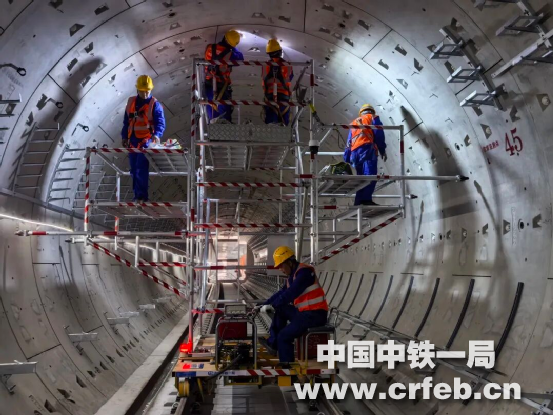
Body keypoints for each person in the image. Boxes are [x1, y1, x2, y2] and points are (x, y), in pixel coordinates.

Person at [257, 246, 328, 366]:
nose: (280, 269)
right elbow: (281, 293)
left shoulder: (305, 273)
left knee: (283, 336)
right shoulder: (292, 277)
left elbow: (291, 293)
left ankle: (287, 367)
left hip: (315, 315)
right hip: (303, 313)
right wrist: (263, 305)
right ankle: (272, 344)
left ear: (290, 262)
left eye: (281, 266)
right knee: (280, 309)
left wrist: (272, 306)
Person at [121, 74, 165, 202]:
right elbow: (126, 122)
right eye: (142, 91)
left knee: (141, 168)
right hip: (133, 141)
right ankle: (137, 196)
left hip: (146, 140)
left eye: (147, 91)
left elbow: (160, 122)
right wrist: (124, 137)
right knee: (134, 169)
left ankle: (142, 196)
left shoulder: (154, 104)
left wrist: (157, 135)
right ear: (137, 90)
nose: (145, 94)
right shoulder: (131, 103)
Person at [343, 104, 387, 206]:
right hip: (367, 150)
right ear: (372, 111)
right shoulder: (373, 118)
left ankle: (358, 202)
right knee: (370, 175)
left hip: (355, 154)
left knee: (361, 178)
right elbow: (378, 134)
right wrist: (382, 150)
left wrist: (347, 157)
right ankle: (366, 200)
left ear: (361, 113)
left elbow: (349, 142)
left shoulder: (354, 122)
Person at [204, 30, 244, 123]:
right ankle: (225, 127)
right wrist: (233, 48)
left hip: (208, 84)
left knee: (211, 110)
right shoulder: (231, 54)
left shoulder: (209, 48)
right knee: (224, 115)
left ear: (224, 38)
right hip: (222, 87)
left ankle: (211, 127)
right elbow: (241, 58)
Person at [262, 39, 294, 125]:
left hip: (269, 97)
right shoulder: (287, 65)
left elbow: (263, 80)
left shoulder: (265, 66)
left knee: (270, 124)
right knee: (284, 124)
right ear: (279, 51)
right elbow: (290, 77)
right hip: (284, 97)